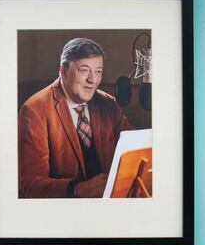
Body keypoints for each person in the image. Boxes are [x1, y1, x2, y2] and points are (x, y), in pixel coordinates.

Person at [18, 37, 132, 198]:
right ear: (63, 70)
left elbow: (133, 151)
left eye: (98, 71)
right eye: (84, 70)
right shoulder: (34, 111)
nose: (92, 80)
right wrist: (78, 190)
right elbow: (30, 183)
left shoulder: (108, 103)